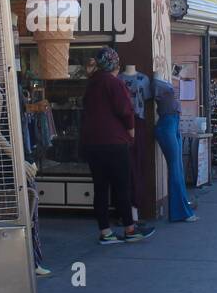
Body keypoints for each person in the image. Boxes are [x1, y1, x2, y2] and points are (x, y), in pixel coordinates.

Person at [81, 47, 155, 245]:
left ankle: (105, 232)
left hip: (92, 143)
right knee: (122, 186)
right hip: (114, 142)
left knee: (100, 188)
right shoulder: (114, 83)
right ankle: (130, 229)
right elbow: (125, 110)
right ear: (115, 63)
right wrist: (131, 132)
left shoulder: (92, 83)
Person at [151, 70, 197, 223]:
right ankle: (180, 212)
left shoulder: (160, 81)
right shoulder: (154, 83)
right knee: (175, 168)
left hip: (172, 123)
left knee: (178, 168)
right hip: (167, 124)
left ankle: (183, 208)